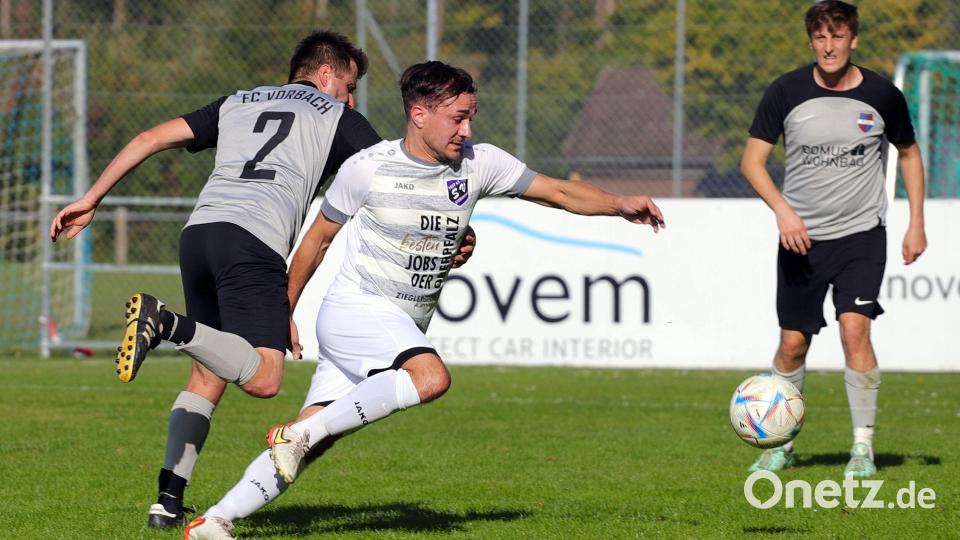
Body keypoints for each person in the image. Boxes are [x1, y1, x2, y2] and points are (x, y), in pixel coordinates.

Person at [181, 60, 665, 539]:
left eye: (470, 116)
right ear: (419, 114)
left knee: (313, 439)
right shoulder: (367, 168)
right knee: (430, 378)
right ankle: (299, 435)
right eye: (457, 118)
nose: (466, 129)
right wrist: (282, 311)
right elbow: (316, 243)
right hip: (356, 309)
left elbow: (558, 191)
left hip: (398, 322)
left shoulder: (480, 163)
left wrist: (618, 205)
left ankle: (215, 520)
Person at [49, 31, 477, 528]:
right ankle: (165, 323)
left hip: (199, 234)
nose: (352, 99)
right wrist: (452, 232)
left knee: (209, 371)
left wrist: (91, 198)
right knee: (266, 378)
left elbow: (149, 138)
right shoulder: (337, 116)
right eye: (350, 86)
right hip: (253, 242)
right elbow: (397, 179)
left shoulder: (237, 102)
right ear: (325, 74)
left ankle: (167, 501)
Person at [739, 0, 926, 478]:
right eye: (820, 37)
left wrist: (916, 222)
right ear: (811, 42)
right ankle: (781, 443)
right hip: (800, 240)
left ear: (853, 40)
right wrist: (783, 212)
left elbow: (909, 154)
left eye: (837, 36)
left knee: (854, 330)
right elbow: (751, 163)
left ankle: (862, 449)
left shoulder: (883, 94)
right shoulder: (786, 91)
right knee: (792, 345)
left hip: (862, 235)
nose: (829, 46)